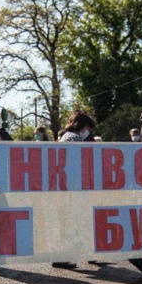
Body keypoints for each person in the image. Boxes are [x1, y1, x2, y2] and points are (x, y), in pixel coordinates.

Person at [53, 110, 96, 269]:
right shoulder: (75, 139)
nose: (89, 132)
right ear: (83, 126)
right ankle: (63, 256)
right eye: (88, 129)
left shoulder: (65, 136)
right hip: (72, 187)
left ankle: (61, 256)